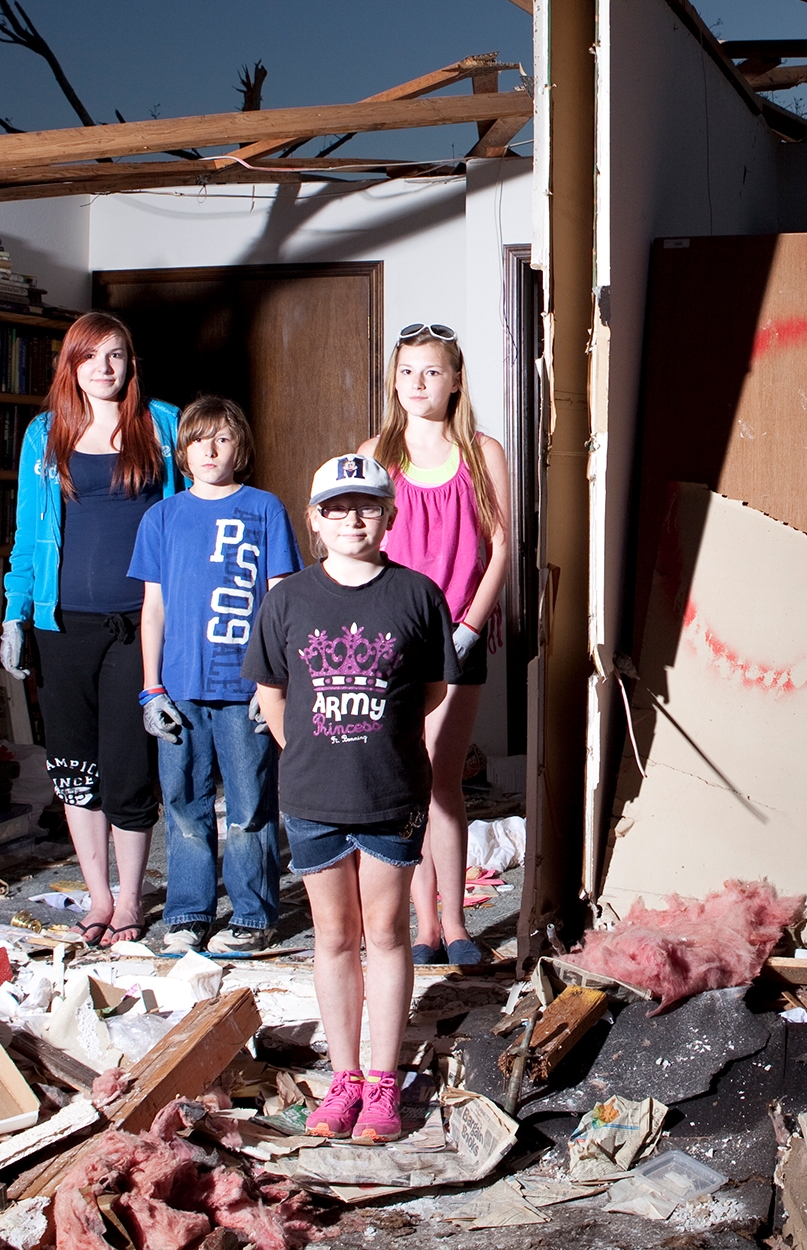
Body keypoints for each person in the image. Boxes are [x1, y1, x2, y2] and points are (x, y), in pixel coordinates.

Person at [247, 454, 459, 1143]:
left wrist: (373, 745)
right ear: (315, 521)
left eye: (367, 505)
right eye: (336, 507)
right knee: (335, 936)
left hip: (391, 791)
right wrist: (312, 757)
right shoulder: (287, 600)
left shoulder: (418, 596)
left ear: (388, 516)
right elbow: (273, 696)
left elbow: (428, 692)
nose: (352, 519)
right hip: (312, 794)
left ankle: (384, 1081)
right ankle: (344, 1080)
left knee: (388, 931)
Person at [1, 311, 184, 948]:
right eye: (91, 357)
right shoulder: (44, 434)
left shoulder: (164, 424)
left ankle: (131, 901)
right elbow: (27, 533)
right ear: (71, 366)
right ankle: (99, 898)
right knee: (75, 766)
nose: (104, 369)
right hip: (62, 626)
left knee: (130, 766)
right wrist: (14, 613)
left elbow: (191, 518)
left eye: (116, 356)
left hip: (143, 626)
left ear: (131, 363)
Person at [129, 396, 303, 956]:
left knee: (251, 807)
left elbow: (280, 601)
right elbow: (151, 609)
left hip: (244, 686)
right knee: (183, 804)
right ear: (182, 449)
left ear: (240, 448)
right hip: (178, 688)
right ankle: (188, 912)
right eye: (199, 438)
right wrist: (150, 686)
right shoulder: (161, 516)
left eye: (223, 438)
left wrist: (272, 681)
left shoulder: (264, 509)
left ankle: (253, 915)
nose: (209, 449)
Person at [362, 322, 508, 968]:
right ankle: (421, 924)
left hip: (461, 633)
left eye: (431, 372)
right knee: (407, 782)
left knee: (442, 780)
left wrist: (470, 627)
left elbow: (503, 548)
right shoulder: (375, 453)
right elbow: (358, 547)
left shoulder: (482, 452)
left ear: (454, 381)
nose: (418, 383)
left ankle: (455, 924)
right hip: (394, 640)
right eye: (407, 372)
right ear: (394, 381)